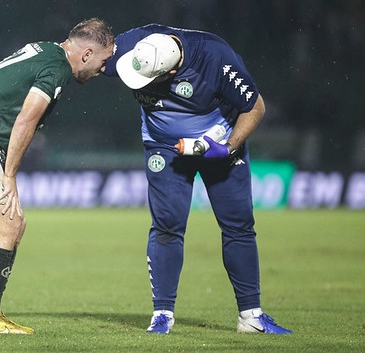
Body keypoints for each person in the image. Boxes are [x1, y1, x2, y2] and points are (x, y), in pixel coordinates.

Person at [104, 24, 292, 334]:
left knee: (238, 225)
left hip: (219, 144)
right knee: (166, 225)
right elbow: (88, 56)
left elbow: (255, 107)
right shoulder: (134, 47)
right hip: (163, 147)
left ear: (171, 71)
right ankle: (162, 315)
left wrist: (228, 148)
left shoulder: (217, 59)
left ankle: (251, 316)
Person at [0, 18, 114, 334]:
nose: (103, 70)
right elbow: (25, 120)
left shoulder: (45, 50)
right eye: (103, 61)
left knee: (15, 224)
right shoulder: (57, 67)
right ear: (86, 54)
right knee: (9, 223)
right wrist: (10, 176)